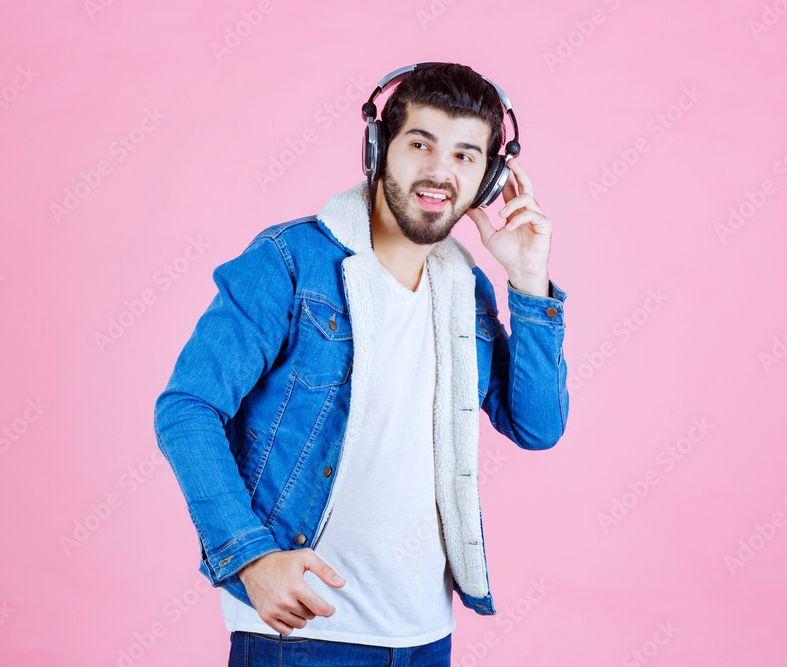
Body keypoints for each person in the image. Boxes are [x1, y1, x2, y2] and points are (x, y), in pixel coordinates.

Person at [153, 62, 569, 666]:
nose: (440, 172)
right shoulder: (290, 261)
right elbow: (188, 407)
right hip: (301, 638)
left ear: (487, 179)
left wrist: (528, 281)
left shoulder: (466, 289)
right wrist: (249, 557)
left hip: (425, 637)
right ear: (379, 148)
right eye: (420, 144)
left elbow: (536, 425)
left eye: (465, 155)